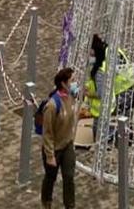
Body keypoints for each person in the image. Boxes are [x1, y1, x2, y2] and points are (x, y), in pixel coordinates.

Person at [40, 66, 79, 209]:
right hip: (54, 149)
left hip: (67, 144)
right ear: (63, 83)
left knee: (69, 177)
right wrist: (50, 155)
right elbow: (47, 133)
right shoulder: (52, 106)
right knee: (50, 178)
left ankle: (70, 205)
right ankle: (46, 202)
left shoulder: (70, 97)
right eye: (72, 81)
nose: (74, 84)